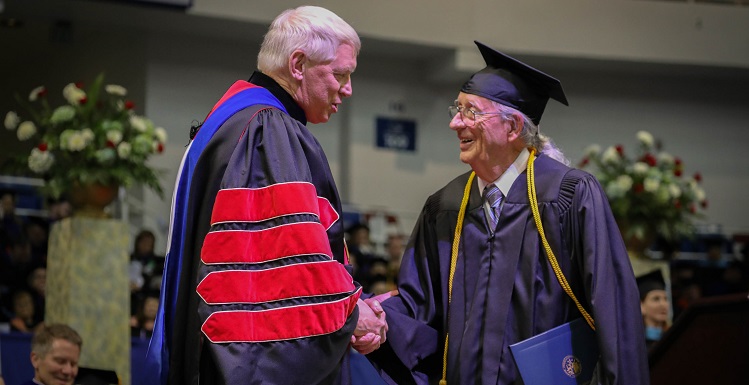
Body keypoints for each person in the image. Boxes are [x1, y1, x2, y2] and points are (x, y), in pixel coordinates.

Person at [368, 41, 648, 384]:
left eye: (471, 112)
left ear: (513, 128)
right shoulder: (445, 207)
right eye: (457, 109)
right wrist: (374, 317)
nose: (456, 123)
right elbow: (419, 308)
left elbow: (613, 308)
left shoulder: (569, 197)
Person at [145, 6, 386, 385]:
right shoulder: (266, 131)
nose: (348, 88)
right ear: (298, 64)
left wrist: (349, 302)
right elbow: (286, 259)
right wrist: (351, 312)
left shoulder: (234, 117)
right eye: (340, 74)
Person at [637, 270, 670, 349]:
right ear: (641, 306)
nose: (663, 304)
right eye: (656, 299)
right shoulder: (634, 342)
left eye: (665, 299)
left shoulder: (674, 337)